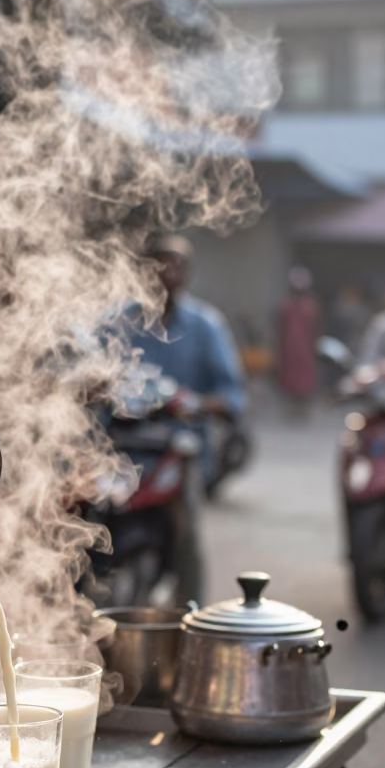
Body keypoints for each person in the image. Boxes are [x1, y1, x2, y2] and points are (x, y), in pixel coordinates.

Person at [117, 233, 247, 604]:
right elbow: (86, 370)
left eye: (175, 264)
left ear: (187, 273)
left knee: (185, 530)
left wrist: (201, 404)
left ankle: (192, 612)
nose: (166, 273)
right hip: (120, 448)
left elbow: (232, 394)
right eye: (158, 263)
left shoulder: (207, 326)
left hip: (179, 449)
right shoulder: (118, 322)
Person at [277, 265, 319, 410]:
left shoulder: (310, 306)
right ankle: (291, 410)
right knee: (290, 379)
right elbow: (280, 328)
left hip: (306, 350)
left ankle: (303, 409)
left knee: (305, 379)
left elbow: (316, 328)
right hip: (289, 350)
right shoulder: (287, 306)